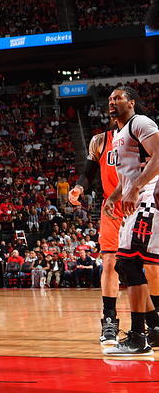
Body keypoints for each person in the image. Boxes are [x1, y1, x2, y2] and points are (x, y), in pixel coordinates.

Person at [102, 87, 159, 356]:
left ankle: (139, 337)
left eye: (118, 97)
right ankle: (154, 328)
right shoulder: (118, 136)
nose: (113, 101)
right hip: (133, 201)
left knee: (131, 263)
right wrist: (113, 197)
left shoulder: (141, 122)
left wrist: (136, 188)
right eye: (111, 98)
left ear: (132, 102)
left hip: (148, 199)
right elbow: (126, 178)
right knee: (126, 266)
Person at [69, 115, 124, 344]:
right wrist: (79, 188)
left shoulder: (144, 136)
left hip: (140, 202)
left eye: (118, 100)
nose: (112, 107)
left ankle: (153, 319)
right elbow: (89, 171)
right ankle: (109, 320)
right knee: (109, 262)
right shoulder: (100, 141)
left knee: (149, 266)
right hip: (111, 207)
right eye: (110, 103)